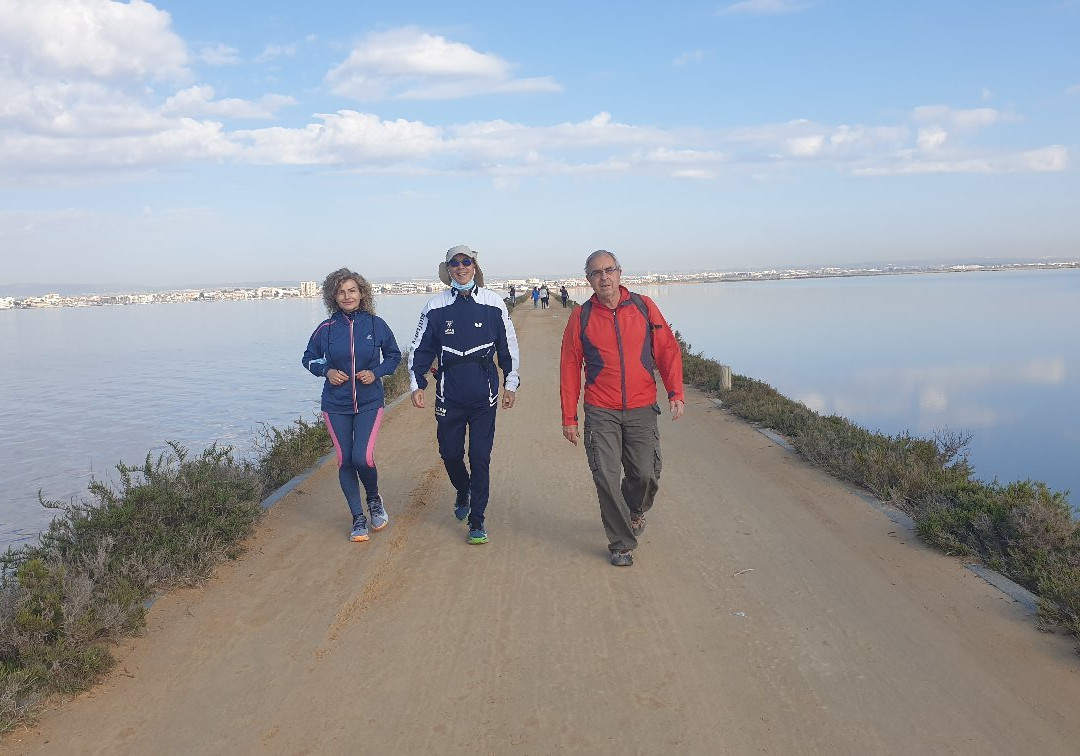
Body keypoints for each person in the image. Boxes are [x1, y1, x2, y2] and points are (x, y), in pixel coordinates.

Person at [559, 250, 685, 567]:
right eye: (596, 273)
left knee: (645, 474)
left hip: (642, 406)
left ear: (619, 273)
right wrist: (569, 417)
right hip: (601, 409)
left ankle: (636, 509)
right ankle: (621, 543)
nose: (603, 277)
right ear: (588, 280)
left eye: (609, 270)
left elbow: (667, 349)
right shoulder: (582, 316)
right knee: (605, 475)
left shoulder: (643, 307)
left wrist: (675, 391)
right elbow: (570, 366)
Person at [408, 245, 520, 545]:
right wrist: (416, 384)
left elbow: (508, 346)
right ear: (448, 270)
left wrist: (511, 383)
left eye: (466, 262)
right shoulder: (434, 306)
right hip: (449, 397)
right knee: (450, 454)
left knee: (480, 458)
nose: (461, 267)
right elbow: (420, 348)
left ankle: (477, 521)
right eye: (454, 263)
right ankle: (463, 489)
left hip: (484, 398)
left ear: (474, 266)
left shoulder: (494, 303)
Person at [303, 268, 402, 542]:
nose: (347, 296)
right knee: (345, 459)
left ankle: (373, 499)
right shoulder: (326, 329)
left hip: (370, 402)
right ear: (333, 297)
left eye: (352, 290)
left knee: (363, 457)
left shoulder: (375, 325)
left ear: (362, 294)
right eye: (341, 292)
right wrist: (327, 371)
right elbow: (309, 358)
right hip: (335, 405)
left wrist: (377, 372)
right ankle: (357, 517)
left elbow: (394, 356)